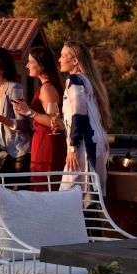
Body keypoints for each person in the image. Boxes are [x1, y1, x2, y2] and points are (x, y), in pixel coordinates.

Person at [57, 40, 111, 196]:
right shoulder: (90, 81)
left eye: (62, 56)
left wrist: (72, 147)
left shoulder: (74, 80)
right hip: (96, 143)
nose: (59, 60)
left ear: (75, 61)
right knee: (93, 196)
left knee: (70, 196)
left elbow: (78, 114)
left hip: (84, 146)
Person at [12, 45, 67, 190]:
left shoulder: (47, 88)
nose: (27, 65)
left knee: (44, 186)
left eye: (30, 62)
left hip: (47, 142)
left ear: (41, 64)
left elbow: (54, 121)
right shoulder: (47, 86)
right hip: (43, 140)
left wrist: (28, 112)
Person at [0, 48, 31, 182]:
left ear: (2, 68)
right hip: (9, 150)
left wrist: (0, 118)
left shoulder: (15, 88)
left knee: (10, 194)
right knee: (0, 192)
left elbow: (24, 124)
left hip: (21, 150)